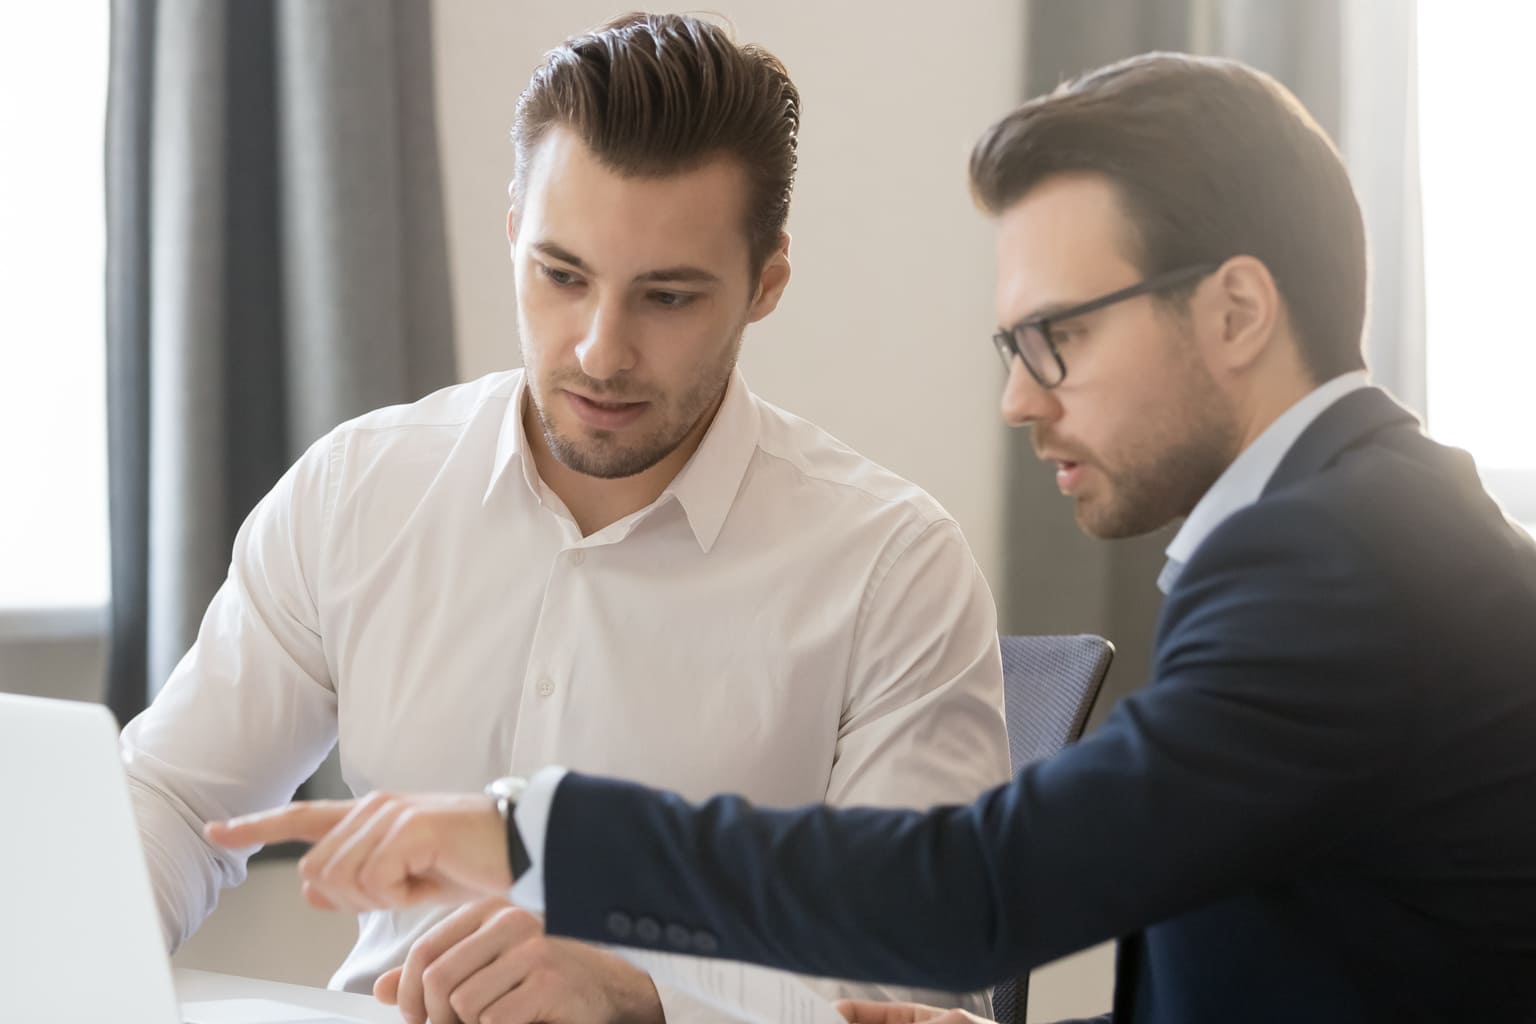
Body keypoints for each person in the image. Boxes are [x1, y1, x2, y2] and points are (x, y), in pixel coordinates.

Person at [214, 51, 1536, 1023]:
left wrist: (527, 830)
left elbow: (971, 888)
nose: (1019, 397)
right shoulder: (1359, 526)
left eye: (1055, 338)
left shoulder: (1335, 569)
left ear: (1239, 310)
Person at [128, 12, 1011, 1024]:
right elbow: (174, 797)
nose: (599, 349)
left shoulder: (892, 572)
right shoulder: (360, 491)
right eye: (561, 276)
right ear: (513, 234)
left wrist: (645, 1000)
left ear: (765, 285)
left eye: (667, 297)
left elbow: (913, 991)